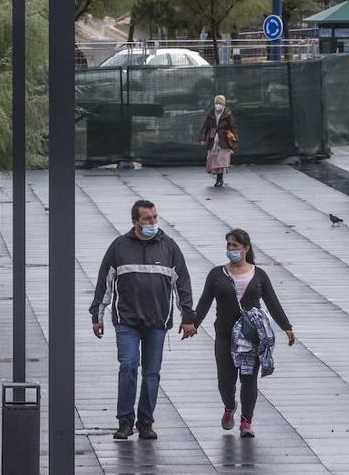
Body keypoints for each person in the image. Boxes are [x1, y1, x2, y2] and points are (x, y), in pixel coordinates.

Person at [89, 199, 196, 441]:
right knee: (128, 366)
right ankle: (125, 421)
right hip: (127, 321)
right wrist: (98, 315)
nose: (152, 222)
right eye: (147, 218)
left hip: (157, 323)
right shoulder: (119, 247)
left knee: (151, 373)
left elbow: (183, 284)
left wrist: (188, 317)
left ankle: (145, 421)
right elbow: (104, 283)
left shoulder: (169, 247)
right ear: (135, 221)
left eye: (155, 217)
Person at [191, 229, 295, 438]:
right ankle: (229, 406)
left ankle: (246, 422)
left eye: (235, 246)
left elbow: (272, 302)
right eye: (228, 245)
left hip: (250, 337)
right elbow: (204, 302)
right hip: (224, 335)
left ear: (246, 248)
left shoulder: (259, 275)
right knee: (225, 379)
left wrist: (287, 327)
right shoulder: (216, 274)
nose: (231, 249)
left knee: (248, 379)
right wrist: (192, 324)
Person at [200, 94, 237, 187]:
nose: (218, 105)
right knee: (212, 157)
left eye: (220, 103)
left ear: (223, 104)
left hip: (223, 139)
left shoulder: (227, 114)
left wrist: (234, 141)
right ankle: (216, 175)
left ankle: (219, 179)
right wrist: (203, 138)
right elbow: (205, 127)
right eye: (216, 103)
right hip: (213, 139)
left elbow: (233, 127)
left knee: (221, 159)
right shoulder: (211, 114)